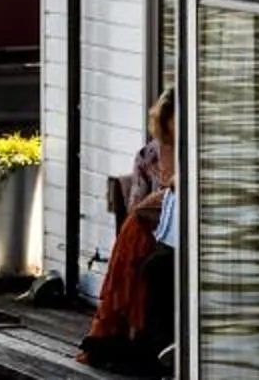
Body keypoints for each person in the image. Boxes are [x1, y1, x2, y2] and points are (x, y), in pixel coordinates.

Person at [83, 90, 176, 373]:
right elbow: (136, 206)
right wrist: (163, 195)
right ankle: (135, 337)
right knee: (137, 236)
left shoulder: (196, 151)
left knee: (144, 254)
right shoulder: (149, 155)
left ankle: (135, 336)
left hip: (174, 232)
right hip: (152, 226)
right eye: (172, 119)